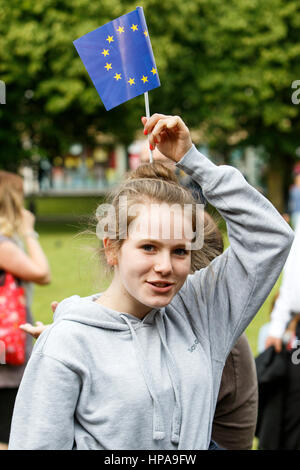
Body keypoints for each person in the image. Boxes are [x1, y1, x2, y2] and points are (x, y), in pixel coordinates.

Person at [9, 114, 293, 450]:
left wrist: (193, 161)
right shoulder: (67, 343)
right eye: (148, 247)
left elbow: (271, 236)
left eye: (179, 251)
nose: (164, 267)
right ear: (112, 248)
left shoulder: (201, 312)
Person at [0, 171, 51, 450]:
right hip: (6, 354)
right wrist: (29, 231)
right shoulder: (2, 245)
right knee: (9, 435)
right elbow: (42, 274)